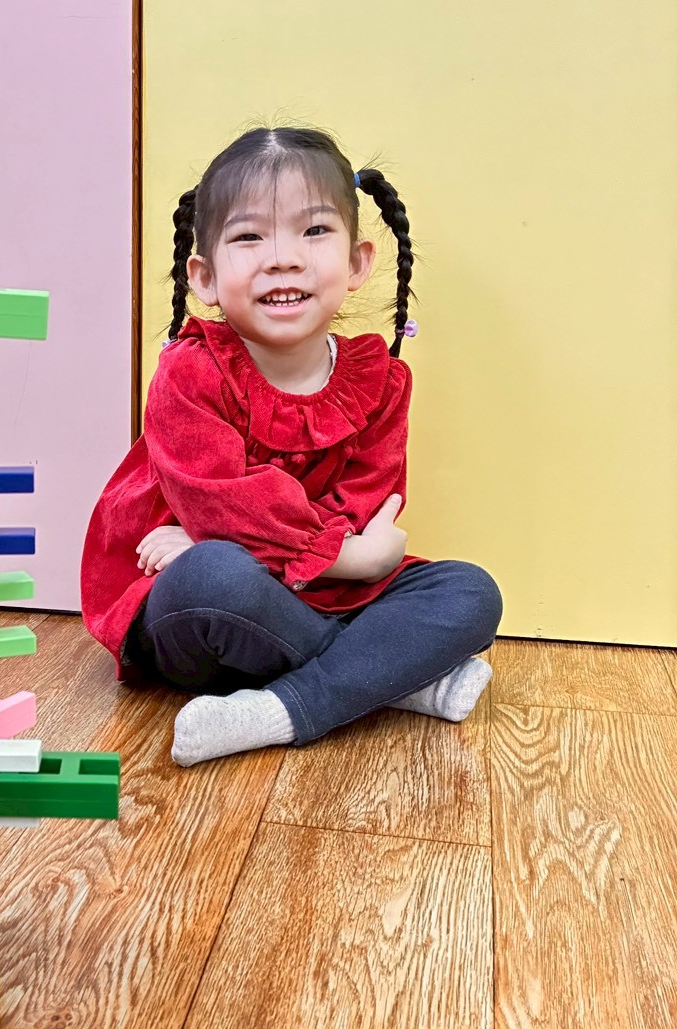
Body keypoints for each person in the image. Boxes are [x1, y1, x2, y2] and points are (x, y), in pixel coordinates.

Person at [80, 126, 504, 766]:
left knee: (470, 592)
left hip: (318, 594)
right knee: (216, 573)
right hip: (201, 607)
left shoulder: (382, 382)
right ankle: (391, 680)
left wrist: (331, 555)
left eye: (314, 231)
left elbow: (366, 505)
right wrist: (352, 559)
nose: (283, 258)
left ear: (357, 262)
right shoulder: (189, 372)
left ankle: (278, 709)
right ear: (205, 276)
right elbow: (225, 505)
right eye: (249, 237)